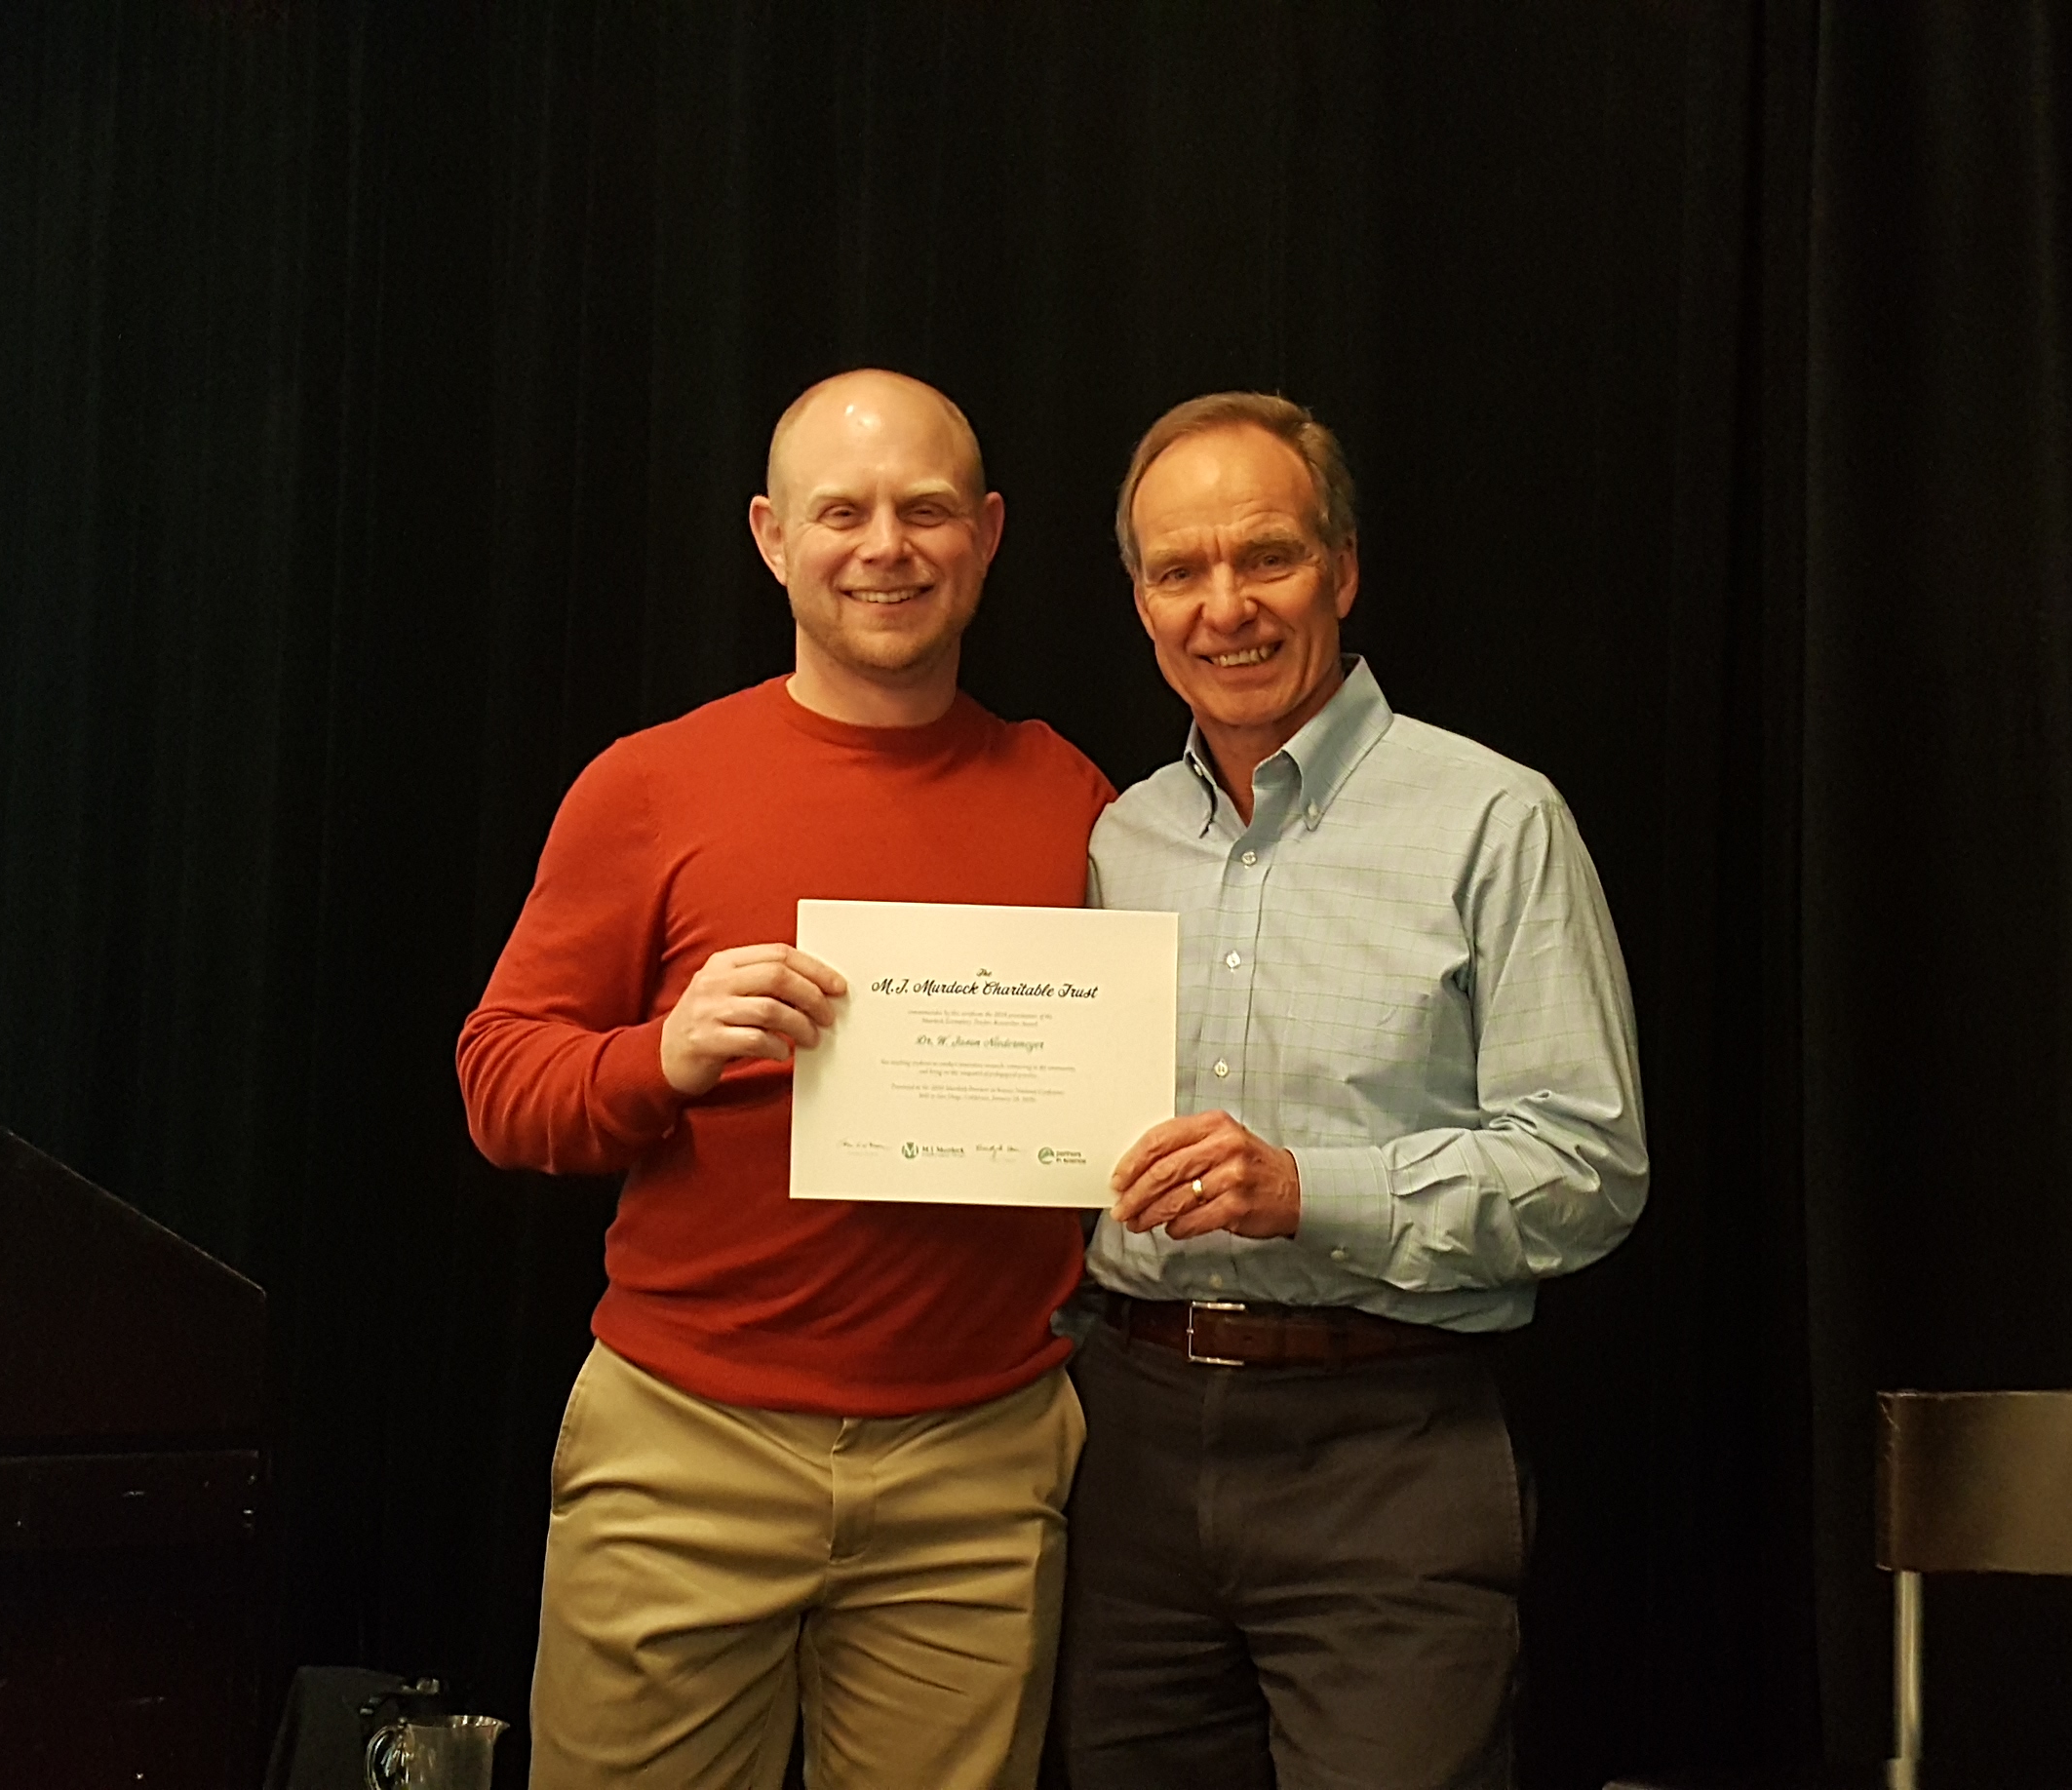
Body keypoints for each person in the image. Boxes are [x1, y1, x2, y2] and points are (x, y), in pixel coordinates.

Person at [457, 369, 1114, 1790]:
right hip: (684, 1447)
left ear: (989, 534)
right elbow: (500, 1080)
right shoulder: (650, 785)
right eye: (843, 512)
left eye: (928, 510)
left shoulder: (1075, 800)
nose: (888, 545)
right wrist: (662, 1056)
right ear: (770, 537)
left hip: (980, 1470)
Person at [1064, 392, 1649, 1789]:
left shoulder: (1495, 821)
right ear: (1139, 600)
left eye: (1264, 556)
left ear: (1341, 565)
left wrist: (1305, 1191)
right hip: (1121, 1446)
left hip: (1391, 1449)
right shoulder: (1111, 836)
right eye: (1178, 571)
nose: (1226, 608)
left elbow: (1589, 1173)